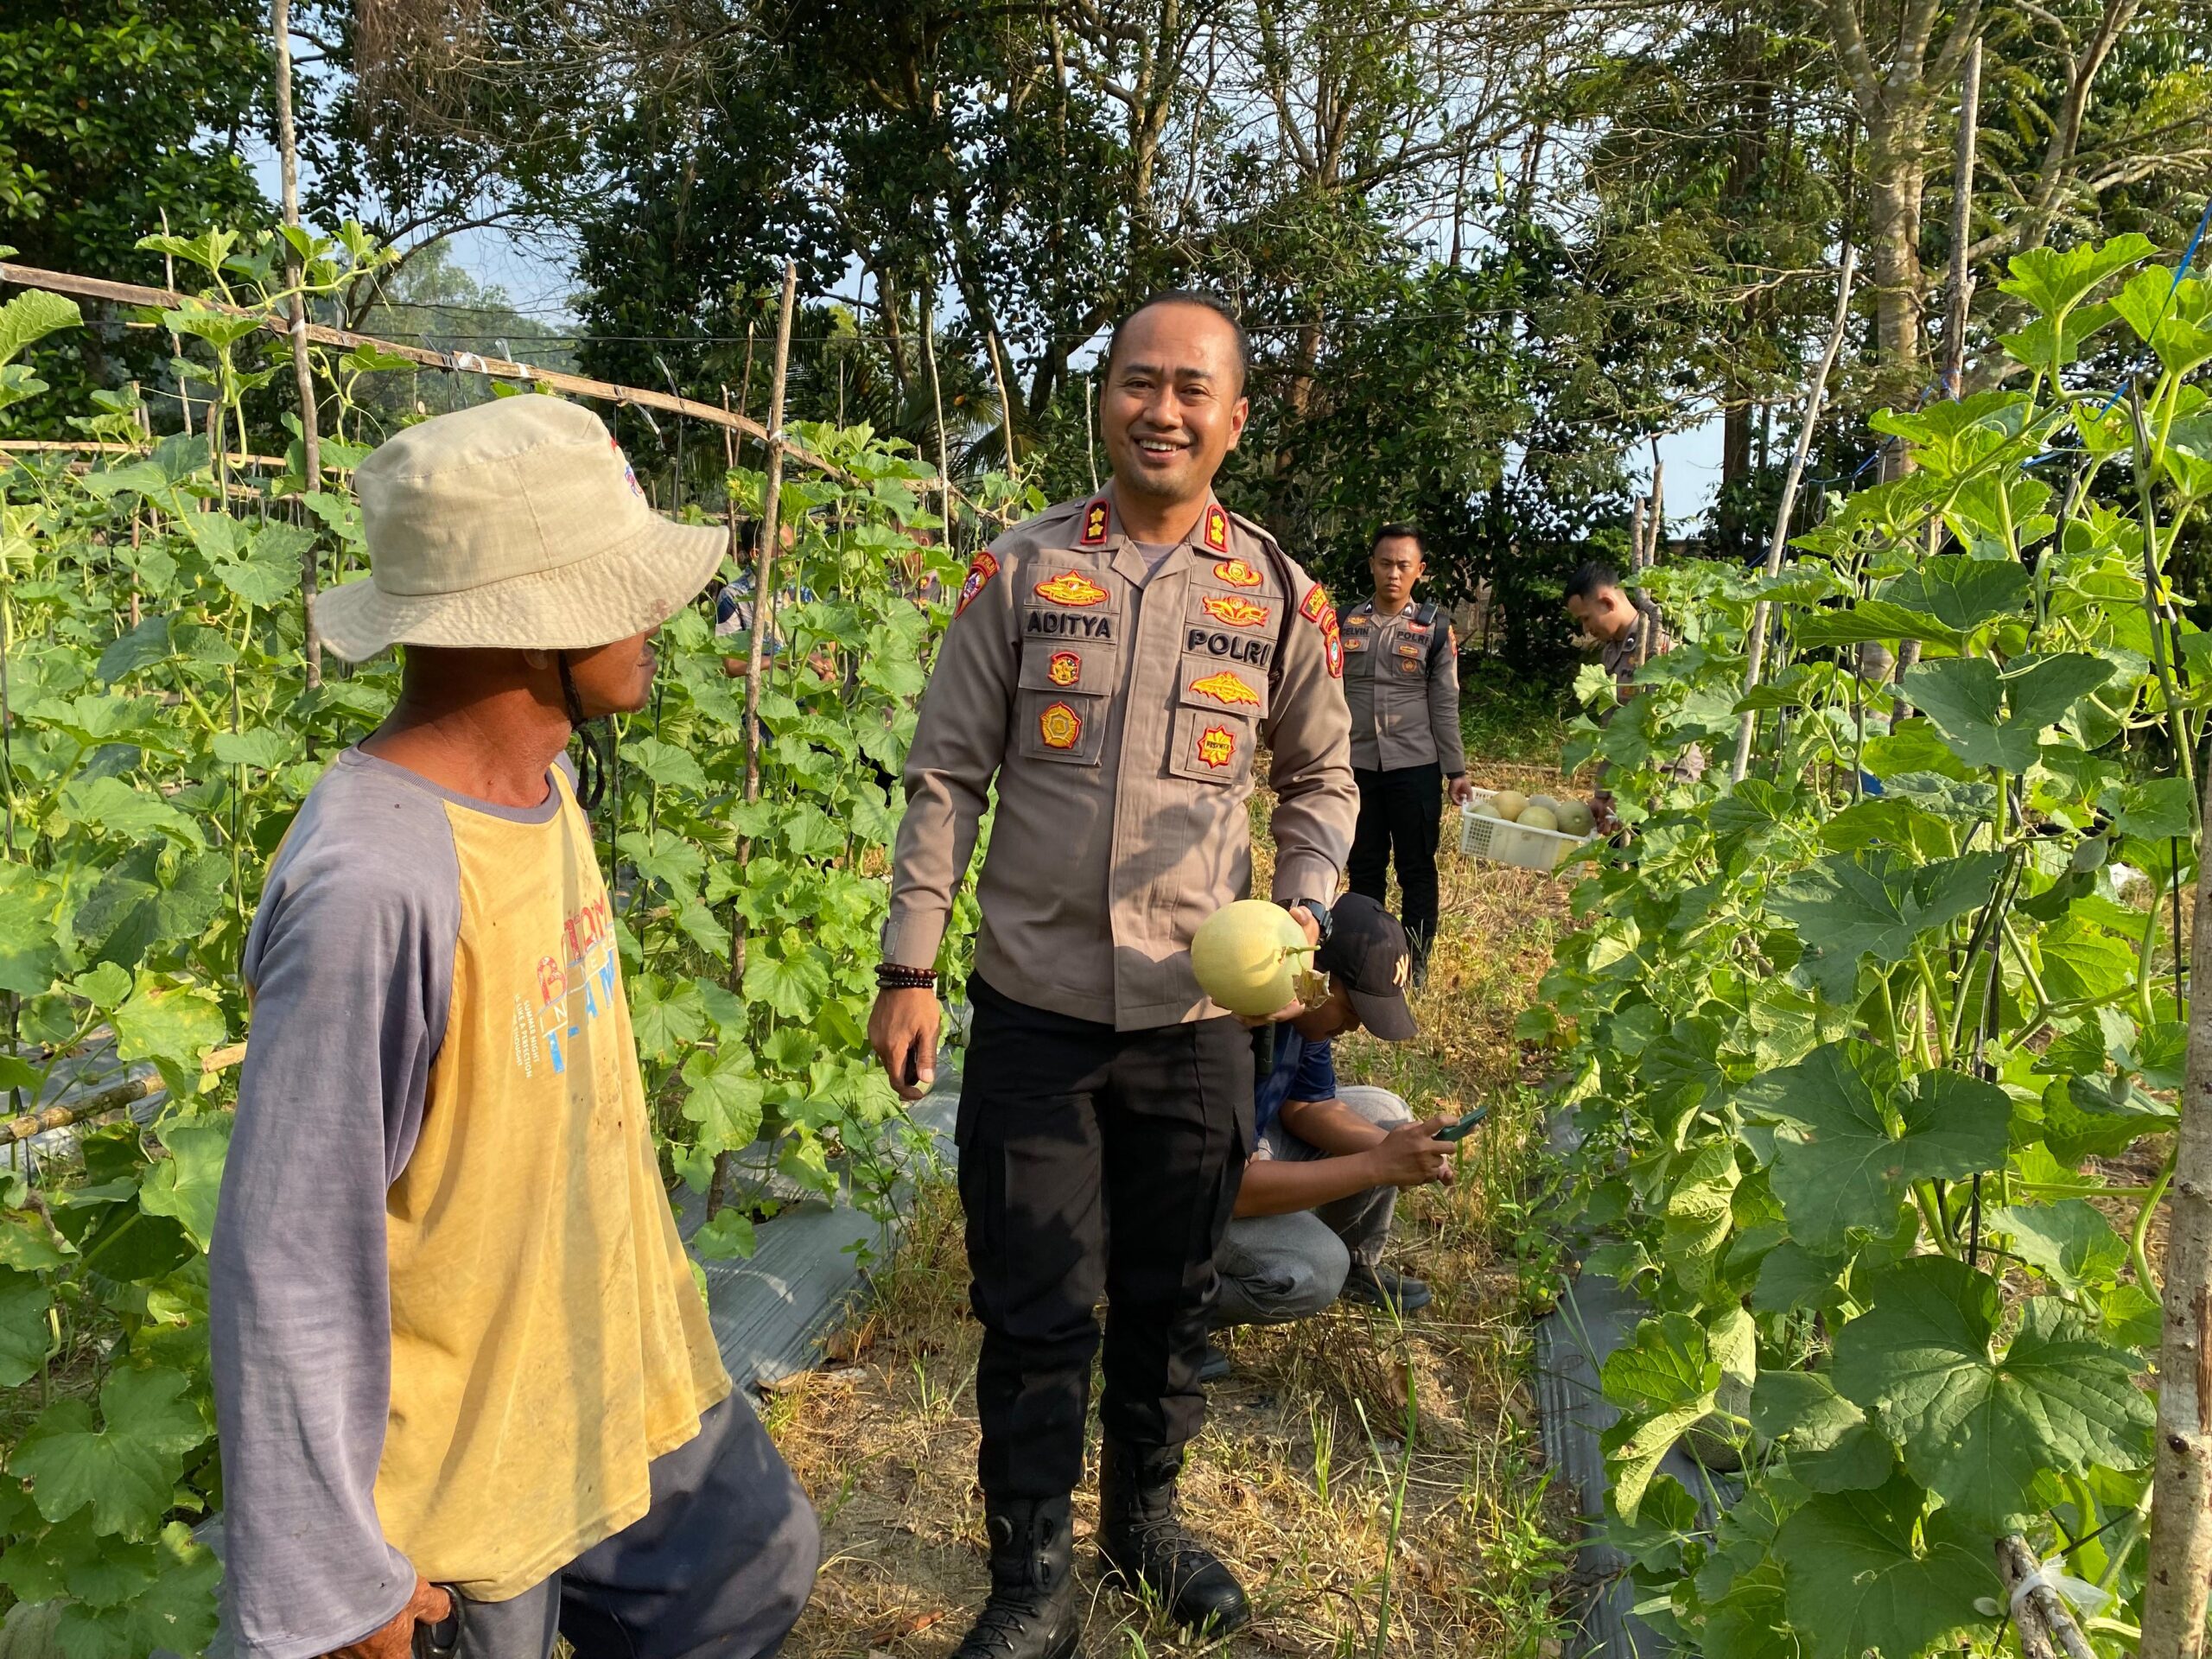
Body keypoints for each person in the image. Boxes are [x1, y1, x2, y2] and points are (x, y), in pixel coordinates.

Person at [210, 397, 820, 1659]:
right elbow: (287, 1259)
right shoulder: (377, 882)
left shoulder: (542, 788)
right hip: (454, 1470)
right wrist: (339, 1579)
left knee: (750, 1569)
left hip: (600, 1368)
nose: (657, 618)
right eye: (623, 589)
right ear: (529, 626)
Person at [867, 290, 1357, 1657]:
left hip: (1199, 1020)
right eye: (1141, 382)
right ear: (1105, 398)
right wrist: (910, 964)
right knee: (1032, 1306)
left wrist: (1304, 911)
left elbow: (1323, 779)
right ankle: (1031, 1576)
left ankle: (1145, 1522)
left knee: (1171, 1292)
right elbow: (946, 775)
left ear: (1235, 420)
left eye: (1194, 390)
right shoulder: (1021, 572)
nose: (1164, 410)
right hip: (1037, 1010)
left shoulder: (1278, 595)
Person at [1206, 896, 1453, 1376]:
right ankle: (1170, 1315)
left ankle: (1358, 1260)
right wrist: (1377, 1165)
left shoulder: (1302, 1007)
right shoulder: (1238, 1022)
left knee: (1387, 1116)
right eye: (1353, 1008)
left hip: (1250, 1141)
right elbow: (1235, 1191)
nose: (1355, 1026)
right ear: (1317, 974)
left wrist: (1396, 1148)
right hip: (1180, 1192)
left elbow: (1307, 1106)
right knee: (1317, 1270)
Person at [1341, 525, 1469, 979]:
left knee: (1416, 869)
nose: (1393, 574)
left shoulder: (1435, 628)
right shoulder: (1343, 622)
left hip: (1415, 767)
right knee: (1364, 867)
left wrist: (1455, 770)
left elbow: (1445, 702)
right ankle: (1367, 962)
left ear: (1420, 570)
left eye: (1403, 565)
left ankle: (1415, 962)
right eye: (1385, 563)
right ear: (1371, 565)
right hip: (1355, 765)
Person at [1561, 560, 1702, 828]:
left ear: (1607, 602)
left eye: (1586, 618)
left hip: (1667, 785)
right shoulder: (1611, 651)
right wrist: (1603, 793)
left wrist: (1628, 797)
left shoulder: (1659, 649)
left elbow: (1664, 736)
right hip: (1630, 784)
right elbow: (1613, 730)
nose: (1585, 629)